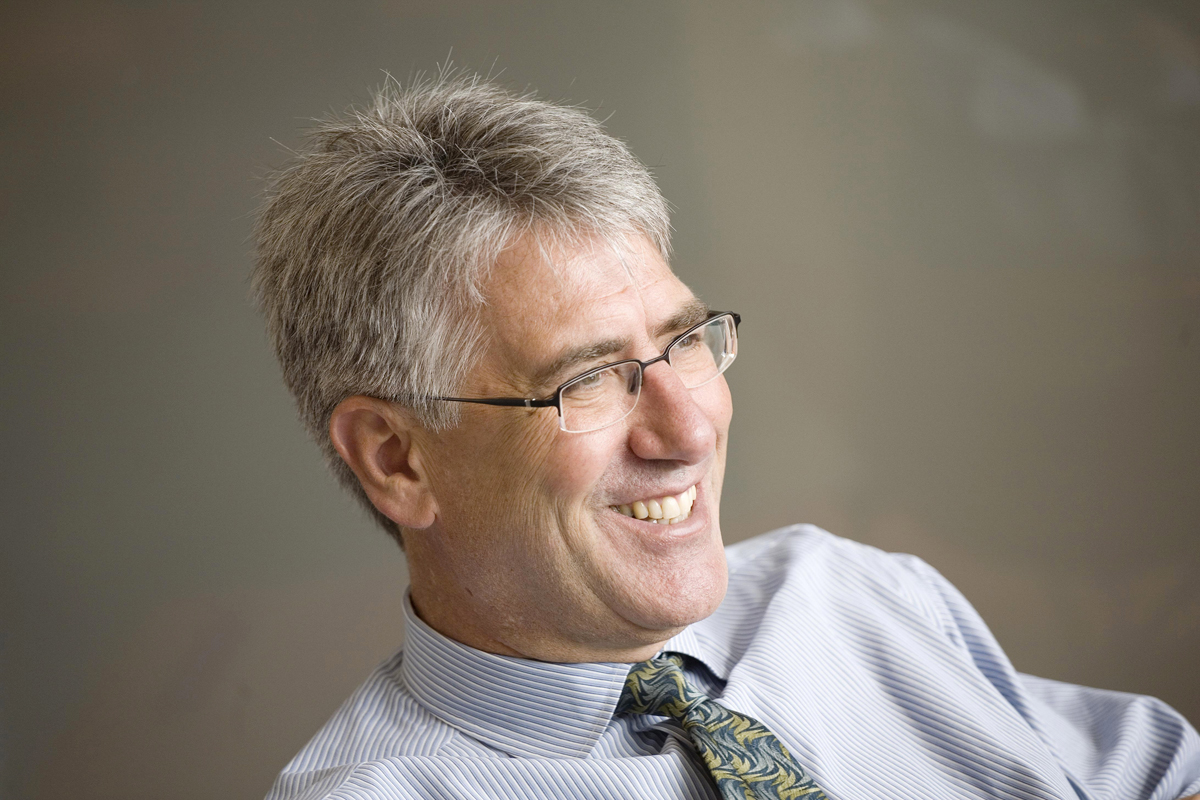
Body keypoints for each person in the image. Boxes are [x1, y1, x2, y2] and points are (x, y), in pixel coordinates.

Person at [253, 74, 1200, 800]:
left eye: (684, 343)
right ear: (398, 459)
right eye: (588, 380)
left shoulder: (854, 595)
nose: (691, 424)